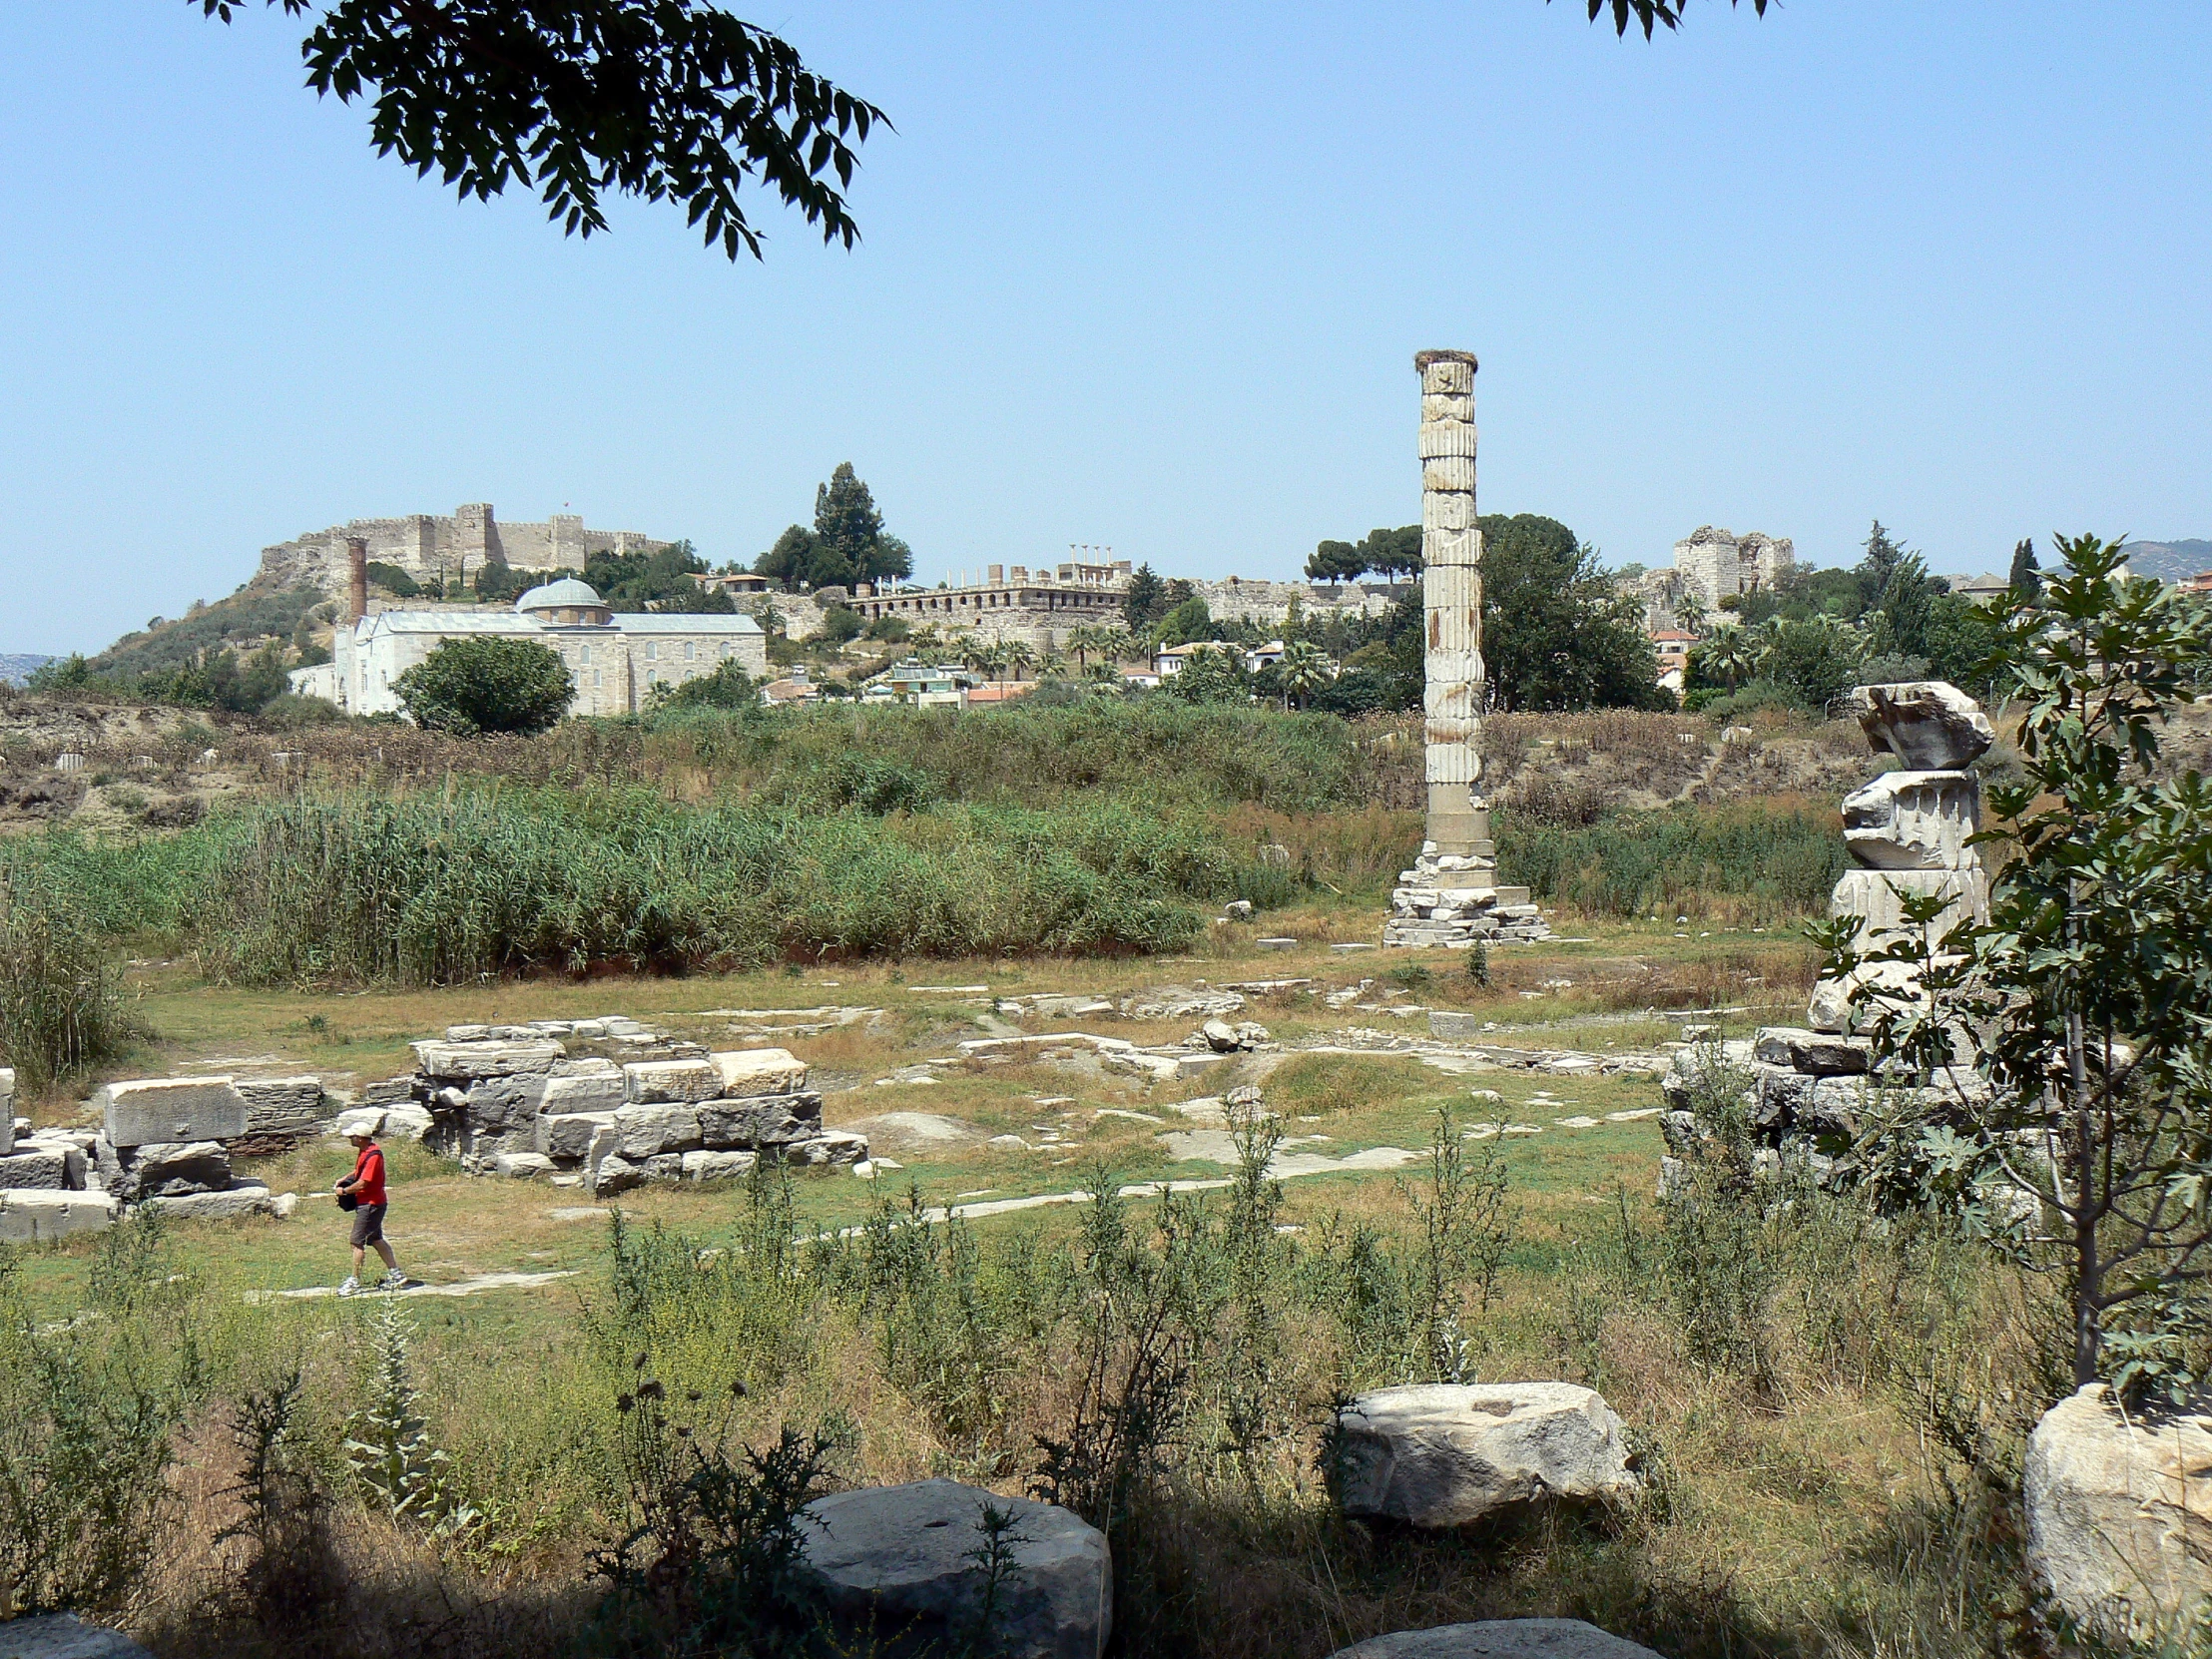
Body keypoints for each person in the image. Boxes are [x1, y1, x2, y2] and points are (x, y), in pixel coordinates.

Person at [336, 1126, 405, 1296]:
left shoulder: (373, 1155)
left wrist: (344, 1191)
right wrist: (345, 1178)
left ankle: (354, 1281)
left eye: (352, 1136)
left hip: (370, 1204)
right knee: (376, 1239)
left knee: (356, 1242)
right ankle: (396, 1274)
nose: (350, 1139)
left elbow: (363, 1183)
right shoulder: (367, 1152)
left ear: (360, 1137)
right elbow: (360, 1172)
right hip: (373, 1203)